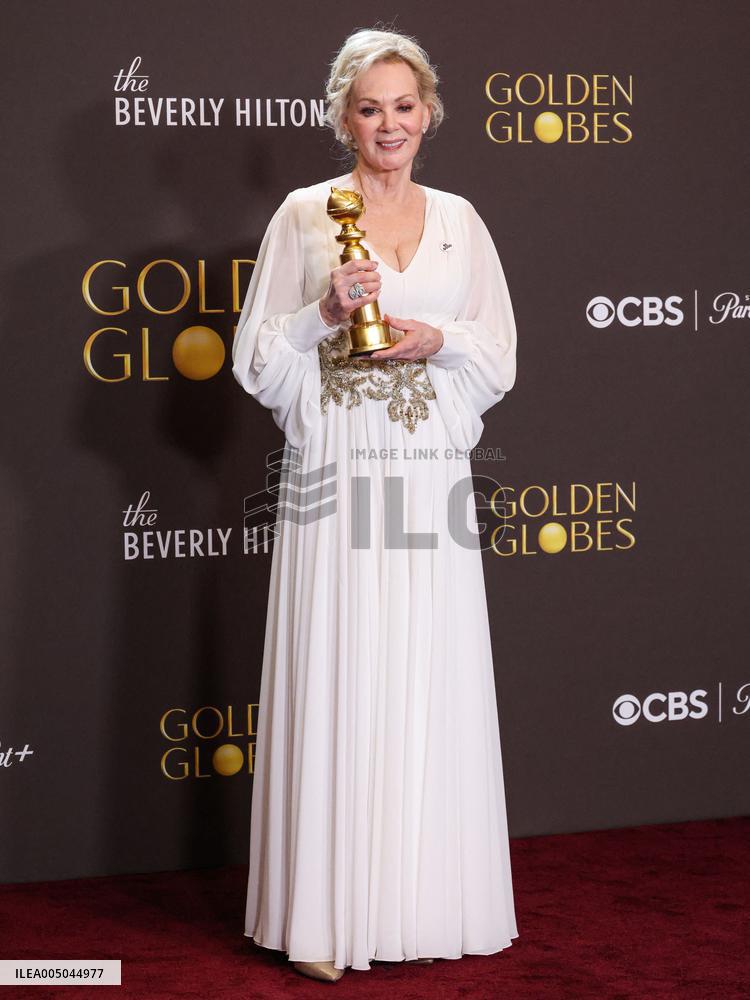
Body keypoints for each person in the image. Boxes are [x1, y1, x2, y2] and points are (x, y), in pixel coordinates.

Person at [232, 26, 519, 983]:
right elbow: (257, 358)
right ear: (342, 117)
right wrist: (323, 313)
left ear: (428, 112)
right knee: (342, 654)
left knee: (427, 662)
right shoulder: (306, 216)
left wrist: (433, 339)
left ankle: (424, 902)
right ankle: (324, 916)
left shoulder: (461, 219)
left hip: (427, 464)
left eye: (404, 106)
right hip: (340, 464)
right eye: (369, 107)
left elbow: (498, 352)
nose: (388, 124)